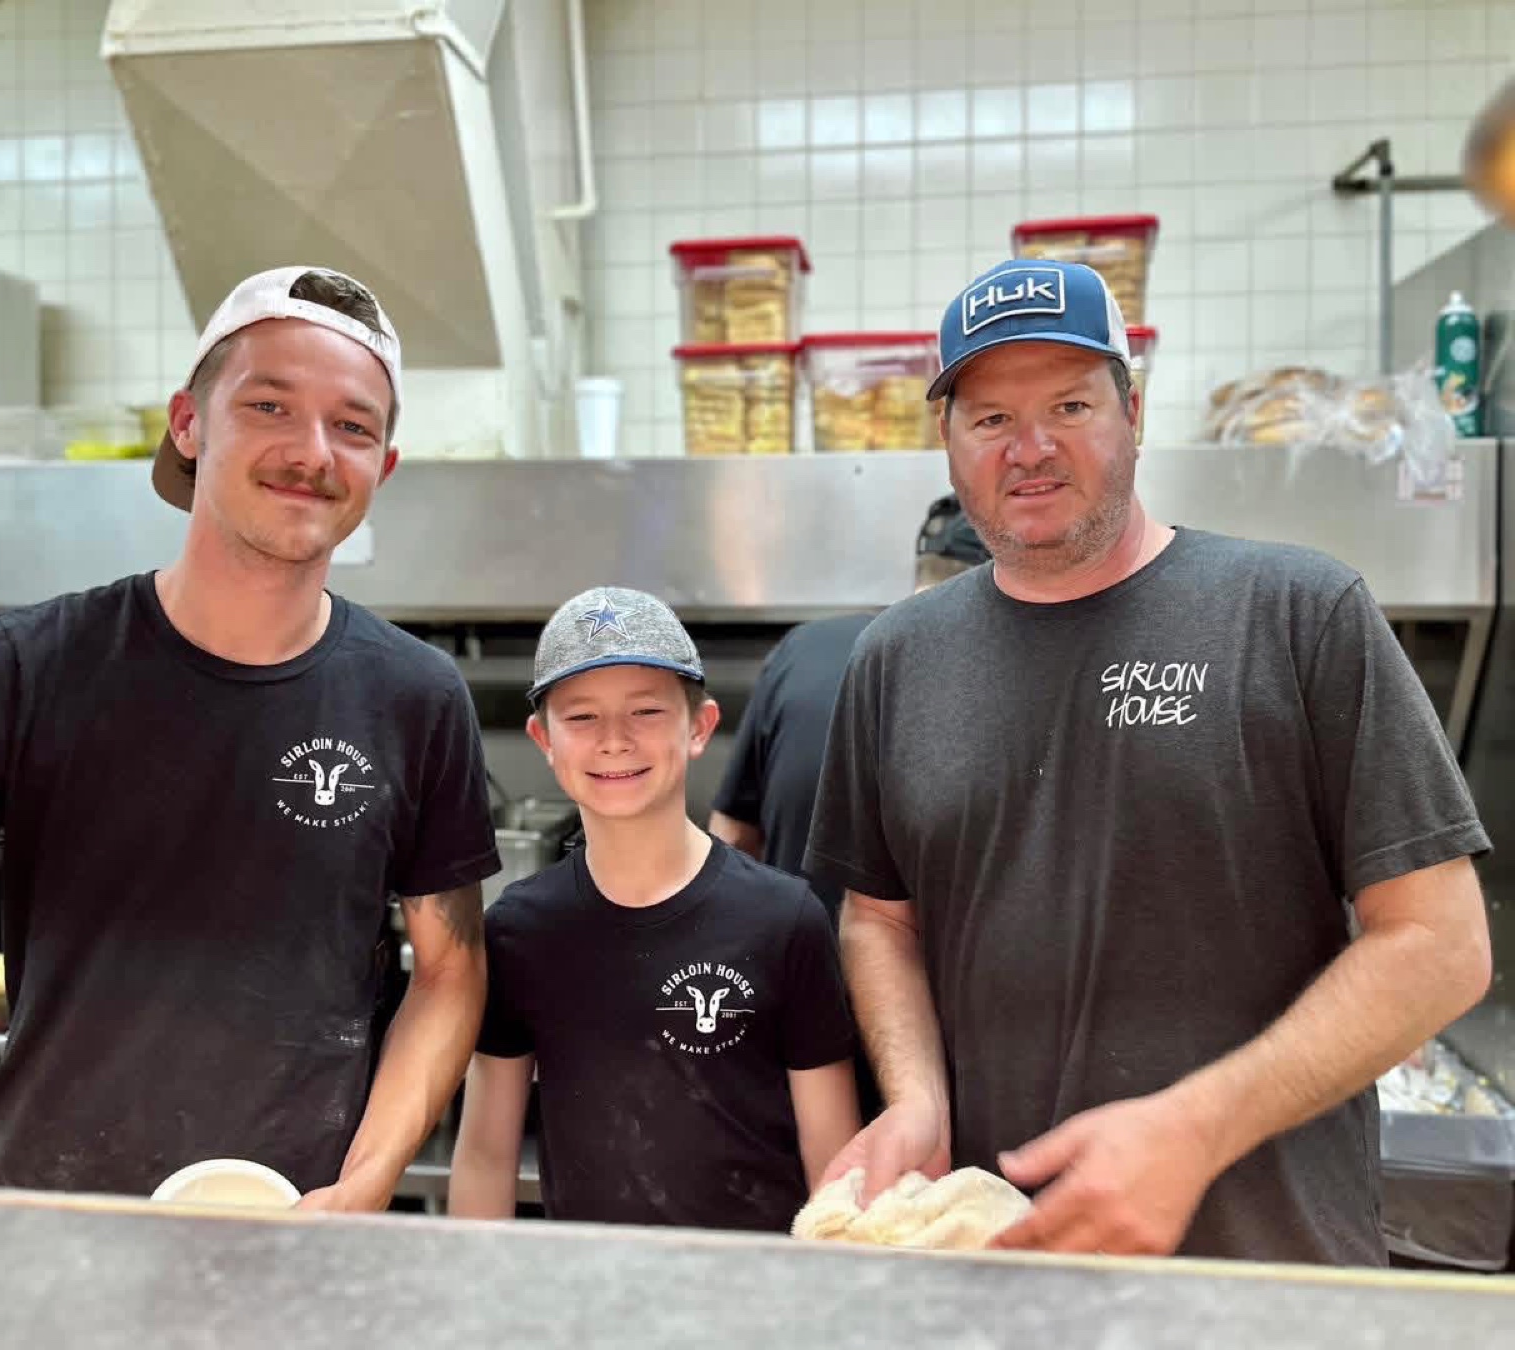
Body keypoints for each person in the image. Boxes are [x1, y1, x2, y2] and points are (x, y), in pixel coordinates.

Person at [0, 267, 500, 1209]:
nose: (312, 451)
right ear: (187, 422)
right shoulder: (17, 674)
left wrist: (363, 1188)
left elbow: (450, 974)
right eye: (269, 405)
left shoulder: (416, 698)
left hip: (297, 1239)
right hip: (51, 1231)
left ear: (384, 466)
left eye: (355, 425)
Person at [805, 258, 1494, 1264]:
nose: (1030, 449)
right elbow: (879, 918)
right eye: (990, 418)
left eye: (1070, 405)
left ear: (1133, 409)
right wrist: (917, 1099)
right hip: (1013, 1267)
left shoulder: (1297, 614)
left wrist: (1195, 1129)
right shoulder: (896, 660)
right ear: (948, 440)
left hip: (1270, 1274)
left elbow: (1441, 945)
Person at [447, 587, 859, 1231]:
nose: (615, 740)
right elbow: (485, 1154)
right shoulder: (518, 930)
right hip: (591, 1306)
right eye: (581, 718)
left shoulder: (785, 920)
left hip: (756, 1309)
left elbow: (834, 1162)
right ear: (543, 739)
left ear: (699, 726)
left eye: (645, 711)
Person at [709, 495, 990, 920]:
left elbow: (730, 837)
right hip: (916, 978)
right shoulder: (996, 679)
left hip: (790, 967)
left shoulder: (803, 647)